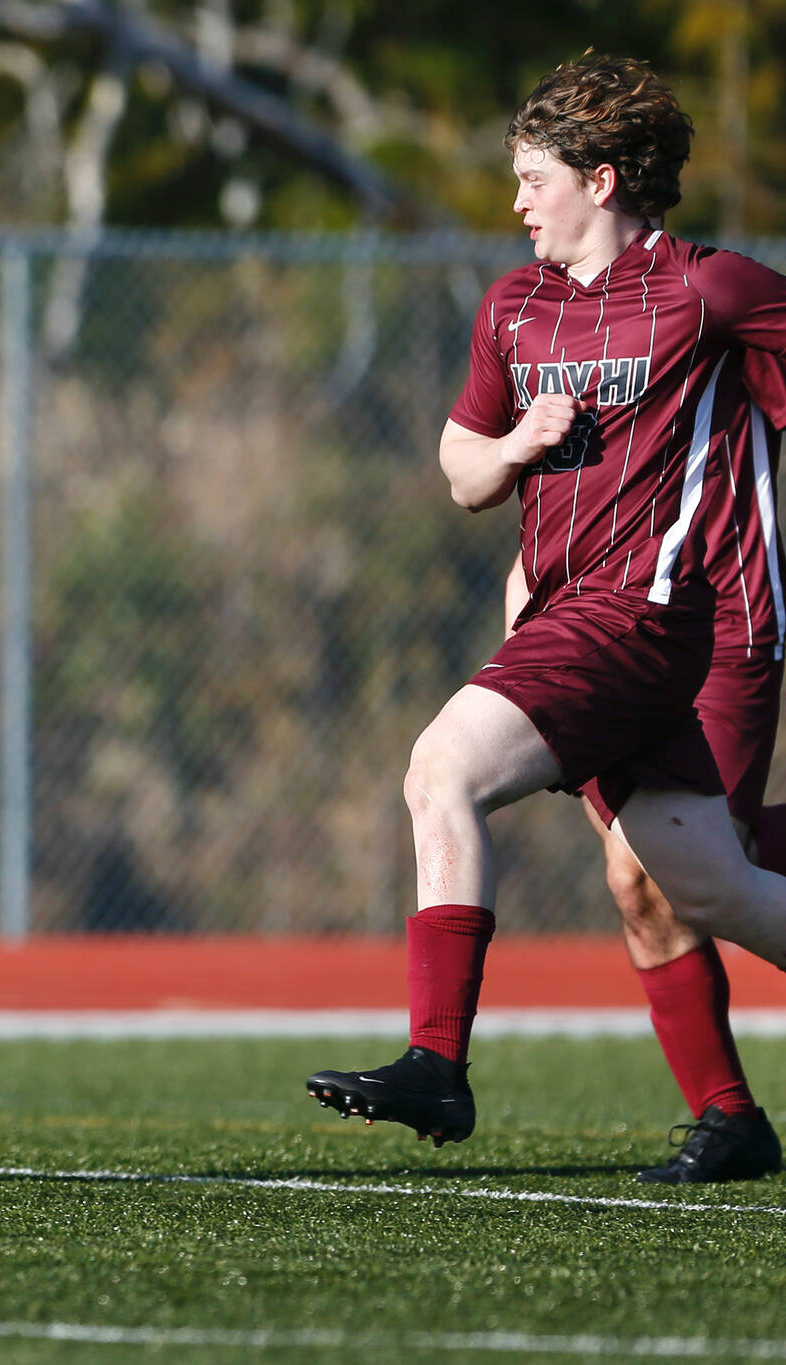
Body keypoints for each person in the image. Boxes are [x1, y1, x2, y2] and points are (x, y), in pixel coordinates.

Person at [305, 54, 786, 1162]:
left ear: (601, 180)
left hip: (653, 617)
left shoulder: (707, 290)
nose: (517, 203)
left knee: (442, 769)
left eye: (534, 180)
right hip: (572, 616)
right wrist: (516, 444)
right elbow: (462, 468)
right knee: (700, 880)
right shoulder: (513, 305)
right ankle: (730, 1119)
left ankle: (436, 1064)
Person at [493, 357, 786, 1184]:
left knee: (670, 868)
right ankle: (730, 1118)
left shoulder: (720, 303)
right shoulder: (552, 317)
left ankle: (729, 1116)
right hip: (602, 621)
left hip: (721, 618)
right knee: (650, 881)